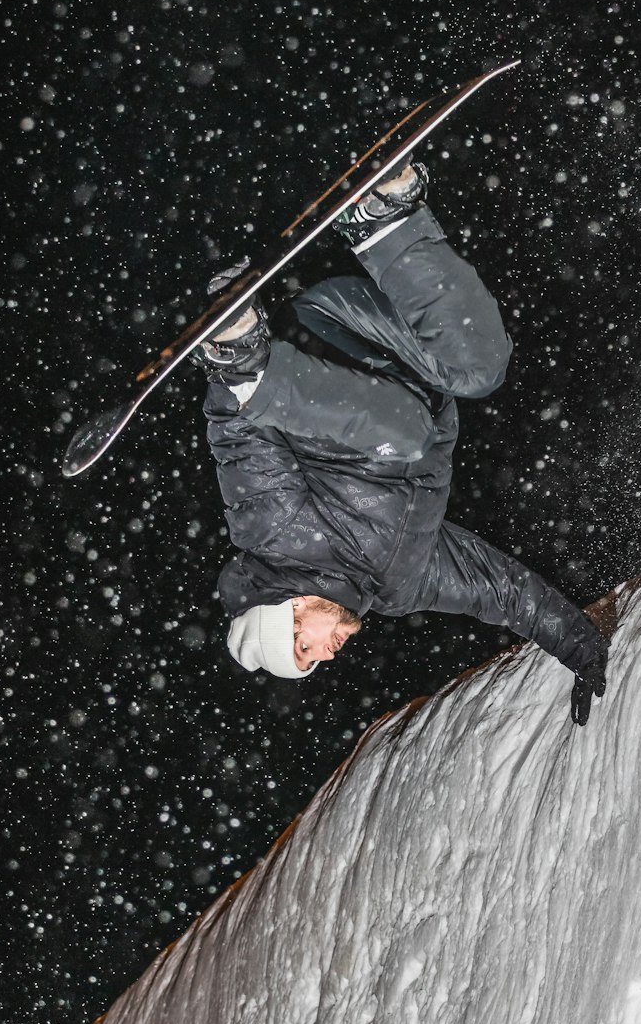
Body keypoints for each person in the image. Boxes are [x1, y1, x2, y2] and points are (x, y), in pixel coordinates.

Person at [197, 162, 608, 725]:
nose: (324, 655)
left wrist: (236, 365)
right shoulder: (402, 585)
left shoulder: (279, 538)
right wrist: (582, 650)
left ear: (286, 615)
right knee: (481, 369)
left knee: (408, 434)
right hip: (401, 365)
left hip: (331, 345)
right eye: (315, 662)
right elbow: (502, 592)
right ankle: (383, 221)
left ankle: (250, 364)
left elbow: (238, 439)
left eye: (303, 650)